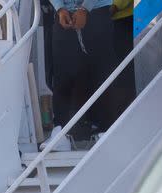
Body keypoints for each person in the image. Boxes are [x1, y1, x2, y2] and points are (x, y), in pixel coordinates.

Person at [40, 0, 115, 151]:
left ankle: (105, 130)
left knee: (101, 72)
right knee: (62, 75)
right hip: (63, 13)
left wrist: (84, 9)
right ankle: (61, 131)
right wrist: (60, 8)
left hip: (97, 10)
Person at [110, 0, 135, 119]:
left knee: (125, 69)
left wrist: (115, 6)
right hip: (104, 17)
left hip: (125, 19)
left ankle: (127, 112)